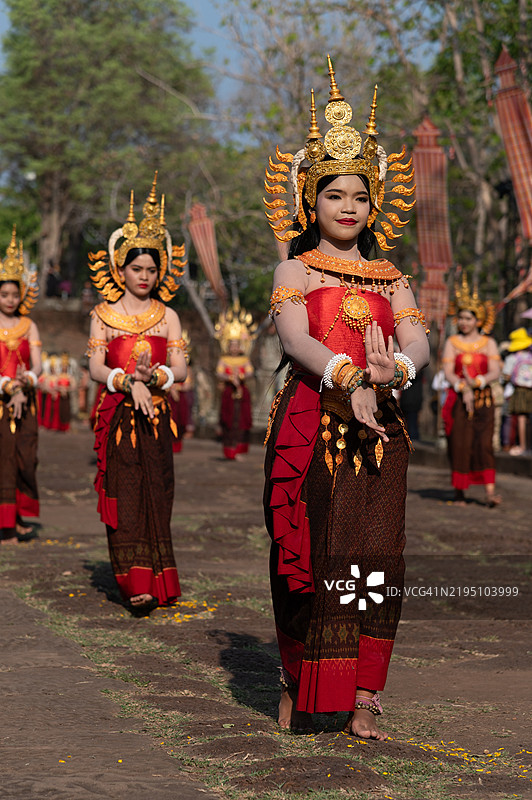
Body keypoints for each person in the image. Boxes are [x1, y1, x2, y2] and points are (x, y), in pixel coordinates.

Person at [262, 59, 430, 740]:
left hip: (379, 433)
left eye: (359, 194)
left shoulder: (393, 278)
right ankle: (298, 680)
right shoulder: (294, 268)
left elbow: (419, 342)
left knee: (374, 560)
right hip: (311, 423)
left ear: (375, 201)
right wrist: (351, 375)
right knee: (306, 559)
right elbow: (297, 338)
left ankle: (364, 697)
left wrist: (396, 373)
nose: (348, 206)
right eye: (334, 194)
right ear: (311, 200)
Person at [86, 175, 189, 613]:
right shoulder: (102, 316)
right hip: (118, 419)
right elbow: (94, 367)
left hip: (158, 419)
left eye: (151, 269)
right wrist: (130, 381)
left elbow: (182, 368)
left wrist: (155, 378)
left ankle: (160, 576)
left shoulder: (169, 317)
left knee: (159, 494)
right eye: (136, 269)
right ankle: (134, 582)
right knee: (125, 494)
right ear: (119, 269)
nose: (144, 276)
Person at [442, 275, 501, 505]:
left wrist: (476, 382)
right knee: (460, 443)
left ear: (478, 319)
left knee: (484, 444)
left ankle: (489, 492)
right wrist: (461, 385)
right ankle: (459, 491)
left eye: (468, 318)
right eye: (461, 317)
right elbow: (447, 372)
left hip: (484, 399)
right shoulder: (451, 342)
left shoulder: (489, 343)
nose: (464, 322)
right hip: (458, 400)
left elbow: (495, 371)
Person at [0, 227, 41, 544]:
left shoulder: (30, 326)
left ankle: (17, 515)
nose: (11, 300)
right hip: (1, 401)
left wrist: (25, 381)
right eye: (4, 295)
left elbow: (38, 364)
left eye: (15, 294)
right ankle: (5, 525)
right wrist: (8, 387)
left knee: (25, 458)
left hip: (26, 401)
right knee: (3, 458)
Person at [215, 301, 256, 460]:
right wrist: (229, 378)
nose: (233, 347)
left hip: (242, 393)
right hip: (228, 393)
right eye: (231, 344)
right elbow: (219, 374)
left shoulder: (244, 359)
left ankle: (239, 450)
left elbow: (250, 373)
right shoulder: (223, 359)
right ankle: (229, 451)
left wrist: (239, 377)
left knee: (241, 421)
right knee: (229, 421)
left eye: (236, 344)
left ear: (241, 346)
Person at [501, 327, 532, 455]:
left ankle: (523, 446)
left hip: (519, 391)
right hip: (530, 390)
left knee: (520, 418)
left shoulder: (512, 358)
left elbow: (506, 375)